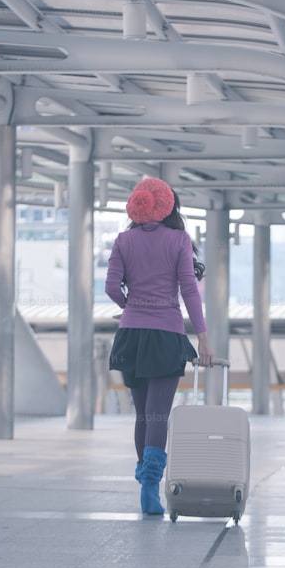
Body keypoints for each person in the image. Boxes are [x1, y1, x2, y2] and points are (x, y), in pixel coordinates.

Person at [105, 177, 213, 515]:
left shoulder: (123, 241)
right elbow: (189, 291)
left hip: (131, 334)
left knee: (143, 414)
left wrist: (129, 305)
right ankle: (151, 487)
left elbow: (110, 288)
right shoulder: (179, 240)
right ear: (170, 207)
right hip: (166, 333)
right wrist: (203, 337)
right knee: (158, 415)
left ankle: (145, 487)